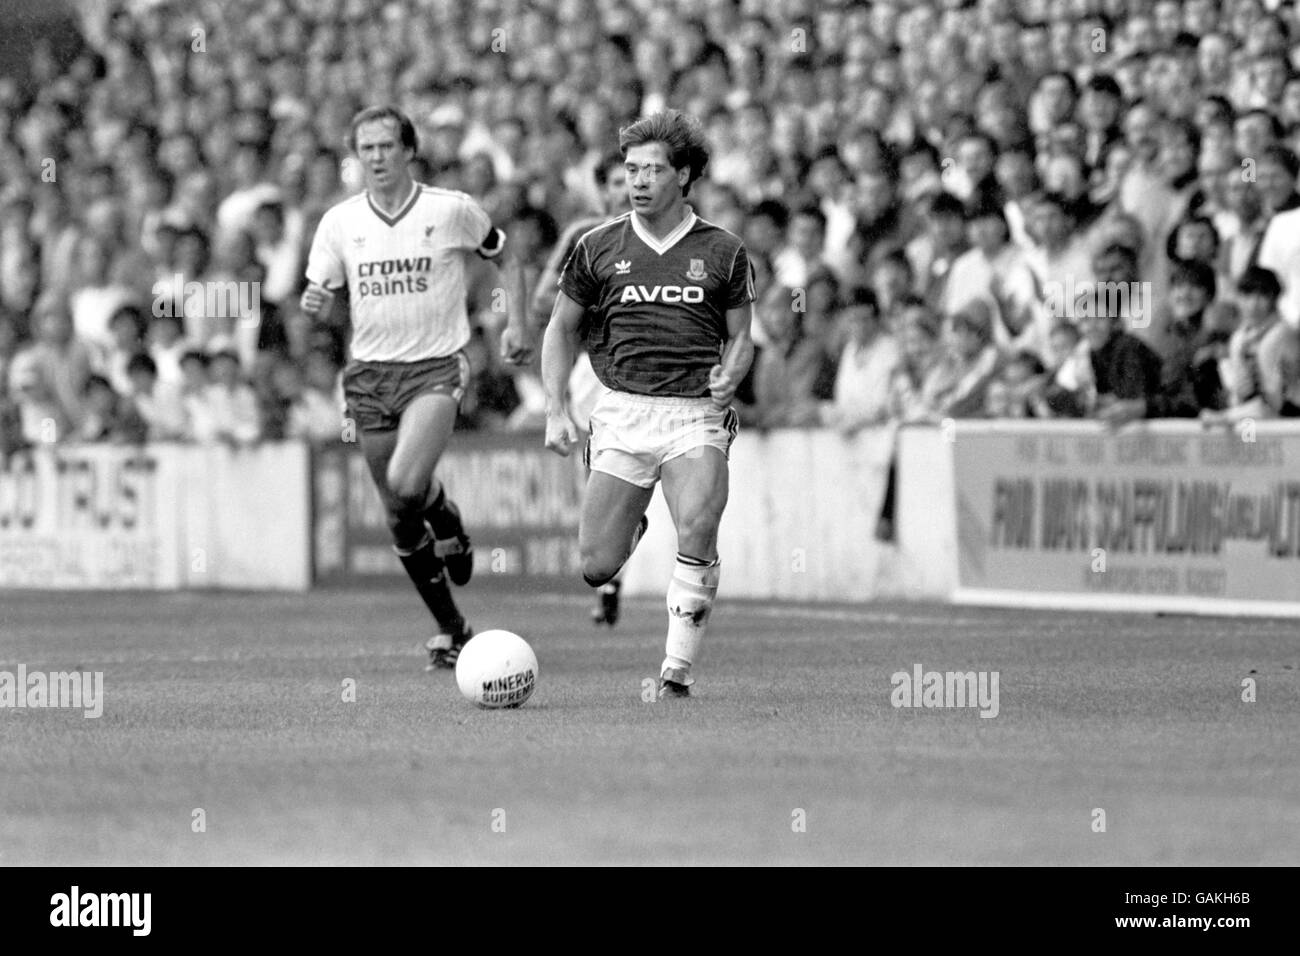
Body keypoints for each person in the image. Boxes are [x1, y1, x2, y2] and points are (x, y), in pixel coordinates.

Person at [301, 105, 533, 672]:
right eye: (366, 148)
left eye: (385, 145)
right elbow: (320, 290)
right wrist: (315, 302)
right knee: (398, 515)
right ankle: (452, 629)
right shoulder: (339, 222)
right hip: (370, 376)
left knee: (407, 482)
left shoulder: (449, 209)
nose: (376, 157)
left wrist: (519, 322)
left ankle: (447, 518)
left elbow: (508, 256)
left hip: (435, 367)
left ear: (408, 150)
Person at [541, 110, 755, 698]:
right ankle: (630, 522)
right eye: (631, 169)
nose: (638, 181)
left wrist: (731, 374)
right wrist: (557, 408)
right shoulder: (597, 246)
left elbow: (741, 336)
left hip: (694, 413)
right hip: (623, 411)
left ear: (683, 175)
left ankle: (676, 673)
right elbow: (561, 329)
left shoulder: (723, 251)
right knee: (596, 566)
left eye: (652, 170)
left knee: (698, 525)